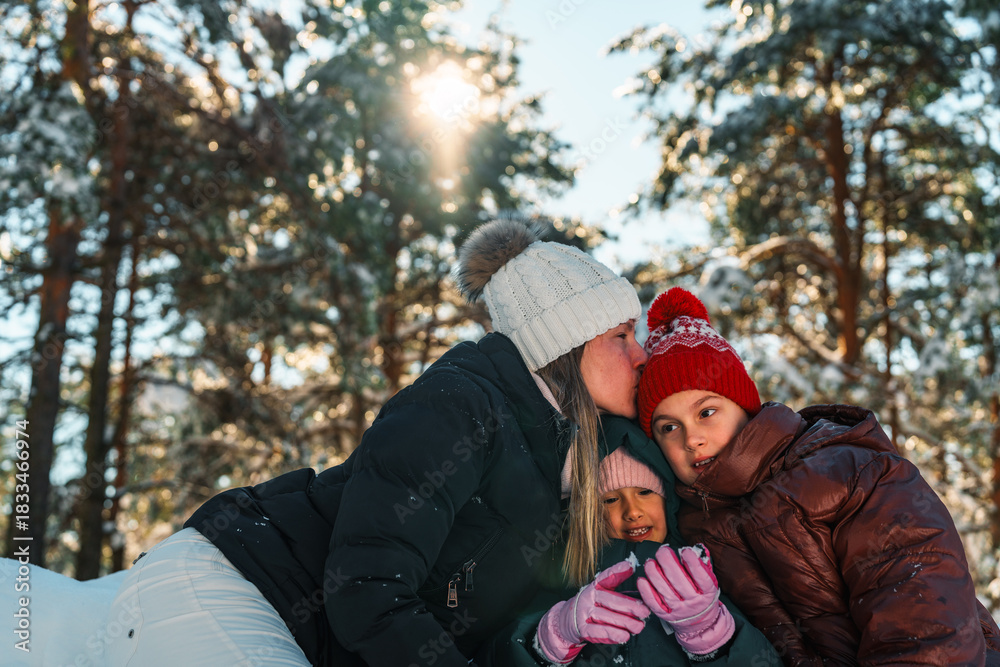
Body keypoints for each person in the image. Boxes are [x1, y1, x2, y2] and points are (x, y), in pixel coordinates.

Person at [104, 217, 648, 666]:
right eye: (621, 335)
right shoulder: (459, 405)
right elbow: (365, 586)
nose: (640, 355)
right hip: (238, 583)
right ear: (565, 344)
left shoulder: (565, 467)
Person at [635, 286, 1000, 665]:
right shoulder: (689, 531)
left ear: (745, 407)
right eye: (668, 427)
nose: (691, 438)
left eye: (706, 412)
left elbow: (924, 619)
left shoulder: (848, 472)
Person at [480, 416, 780, 666]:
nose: (633, 511)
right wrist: (549, 640)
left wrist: (712, 637)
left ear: (667, 500)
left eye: (645, 492)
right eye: (610, 499)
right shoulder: (562, 576)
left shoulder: (701, 576)